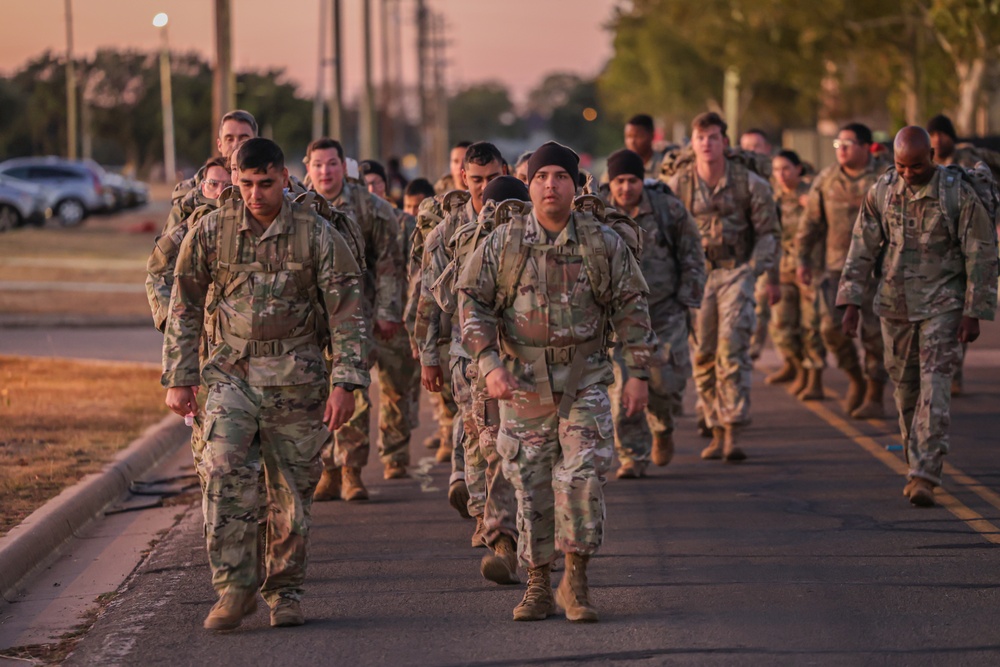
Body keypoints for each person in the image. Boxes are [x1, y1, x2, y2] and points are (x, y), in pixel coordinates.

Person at [162, 138, 369, 629]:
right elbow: (184, 303)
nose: (255, 194)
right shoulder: (212, 231)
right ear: (235, 178)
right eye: (246, 183)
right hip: (230, 374)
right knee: (223, 471)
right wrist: (179, 377)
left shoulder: (317, 234)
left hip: (297, 378)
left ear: (283, 178)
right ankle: (234, 588)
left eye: (266, 184)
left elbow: (347, 311)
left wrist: (346, 381)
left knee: (291, 492)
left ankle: (284, 590)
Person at [458, 141, 656, 623]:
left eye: (560, 176)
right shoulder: (504, 243)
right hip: (521, 383)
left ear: (575, 184)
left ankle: (578, 579)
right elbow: (471, 302)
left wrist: (638, 374)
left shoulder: (601, 243)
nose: (551, 184)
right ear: (529, 184)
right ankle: (537, 584)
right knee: (530, 486)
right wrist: (489, 364)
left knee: (582, 476)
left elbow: (632, 306)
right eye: (542, 175)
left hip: (584, 381)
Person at [836, 126, 998, 506]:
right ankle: (915, 464)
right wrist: (850, 303)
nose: (909, 173)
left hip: (944, 304)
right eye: (901, 166)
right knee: (906, 390)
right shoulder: (883, 190)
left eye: (917, 166)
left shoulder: (955, 193)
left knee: (935, 387)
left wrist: (974, 312)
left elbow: (981, 254)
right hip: (895, 305)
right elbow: (861, 246)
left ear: (932, 158)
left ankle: (926, 472)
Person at [664, 112, 780, 461]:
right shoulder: (680, 185)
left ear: (724, 142)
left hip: (735, 272)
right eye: (700, 138)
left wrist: (753, 270)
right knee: (703, 355)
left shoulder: (749, 183)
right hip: (697, 276)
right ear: (692, 143)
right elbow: (664, 234)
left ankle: (732, 431)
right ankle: (714, 426)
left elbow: (769, 233)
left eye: (713, 137)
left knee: (732, 349)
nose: (706, 144)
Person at [433, 175, 531, 584]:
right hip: (492, 367)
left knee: (543, 463)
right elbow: (446, 298)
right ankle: (502, 542)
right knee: (496, 452)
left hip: (548, 369)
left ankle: (540, 546)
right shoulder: (476, 245)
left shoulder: (548, 242)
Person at [304, 138, 404, 501]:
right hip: (309, 321)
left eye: (332, 164)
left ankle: (351, 470)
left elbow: (390, 263)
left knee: (352, 391)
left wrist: (388, 311)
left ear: (342, 167)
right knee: (314, 395)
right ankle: (327, 469)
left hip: (356, 314)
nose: (325, 172)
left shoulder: (370, 207)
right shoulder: (296, 204)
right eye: (318, 164)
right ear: (307, 166)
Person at [416, 142, 505, 534]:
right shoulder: (446, 232)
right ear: (463, 179)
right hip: (463, 349)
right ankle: (485, 516)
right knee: (476, 432)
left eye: (493, 179)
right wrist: (427, 355)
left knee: (506, 438)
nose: (484, 188)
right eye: (477, 180)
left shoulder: (521, 221)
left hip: (514, 349)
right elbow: (428, 300)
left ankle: (506, 516)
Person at [599, 149, 705, 477]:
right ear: (610, 182)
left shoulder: (667, 209)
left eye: (633, 180)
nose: (626, 187)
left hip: (664, 311)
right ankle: (633, 456)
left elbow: (692, 254)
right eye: (620, 181)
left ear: (642, 180)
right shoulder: (597, 213)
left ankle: (663, 426)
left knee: (664, 381)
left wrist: (688, 300)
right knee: (624, 386)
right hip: (620, 318)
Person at [796, 123, 891, 418]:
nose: (842, 149)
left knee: (875, 334)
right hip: (838, 269)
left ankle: (875, 394)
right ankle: (855, 378)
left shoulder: (885, 178)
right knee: (830, 329)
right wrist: (802, 259)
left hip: (878, 270)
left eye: (849, 143)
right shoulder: (826, 180)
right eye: (838, 144)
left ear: (866, 147)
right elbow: (810, 223)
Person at [357, 159, 422, 480]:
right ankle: (347, 467)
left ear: (386, 187)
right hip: (357, 318)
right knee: (354, 393)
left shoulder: (405, 224)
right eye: (364, 184)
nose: (371, 190)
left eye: (376, 184)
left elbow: (416, 272)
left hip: (396, 319)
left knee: (396, 390)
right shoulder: (348, 222)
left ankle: (395, 456)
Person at [766, 150, 827, 400]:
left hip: (811, 269)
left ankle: (814, 379)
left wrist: (814, 207)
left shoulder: (812, 194)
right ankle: (797, 367)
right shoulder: (774, 198)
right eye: (776, 169)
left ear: (798, 169)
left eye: (786, 169)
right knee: (781, 325)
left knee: (811, 326)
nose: (781, 174)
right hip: (783, 269)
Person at [161, 110, 257, 240]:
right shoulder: (190, 191)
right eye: (229, 139)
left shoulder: (273, 184)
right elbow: (167, 247)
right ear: (219, 144)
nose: (236, 145)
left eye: (243, 139)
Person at [739, 129, 779, 361]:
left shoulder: (773, 180)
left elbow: (773, 232)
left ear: (767, 150)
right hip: (741, 256)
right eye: (745, 146)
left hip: (768, 253)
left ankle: (750, 352)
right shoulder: (735, 178)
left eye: (756, 146)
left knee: (761, 305)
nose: (750, 152)